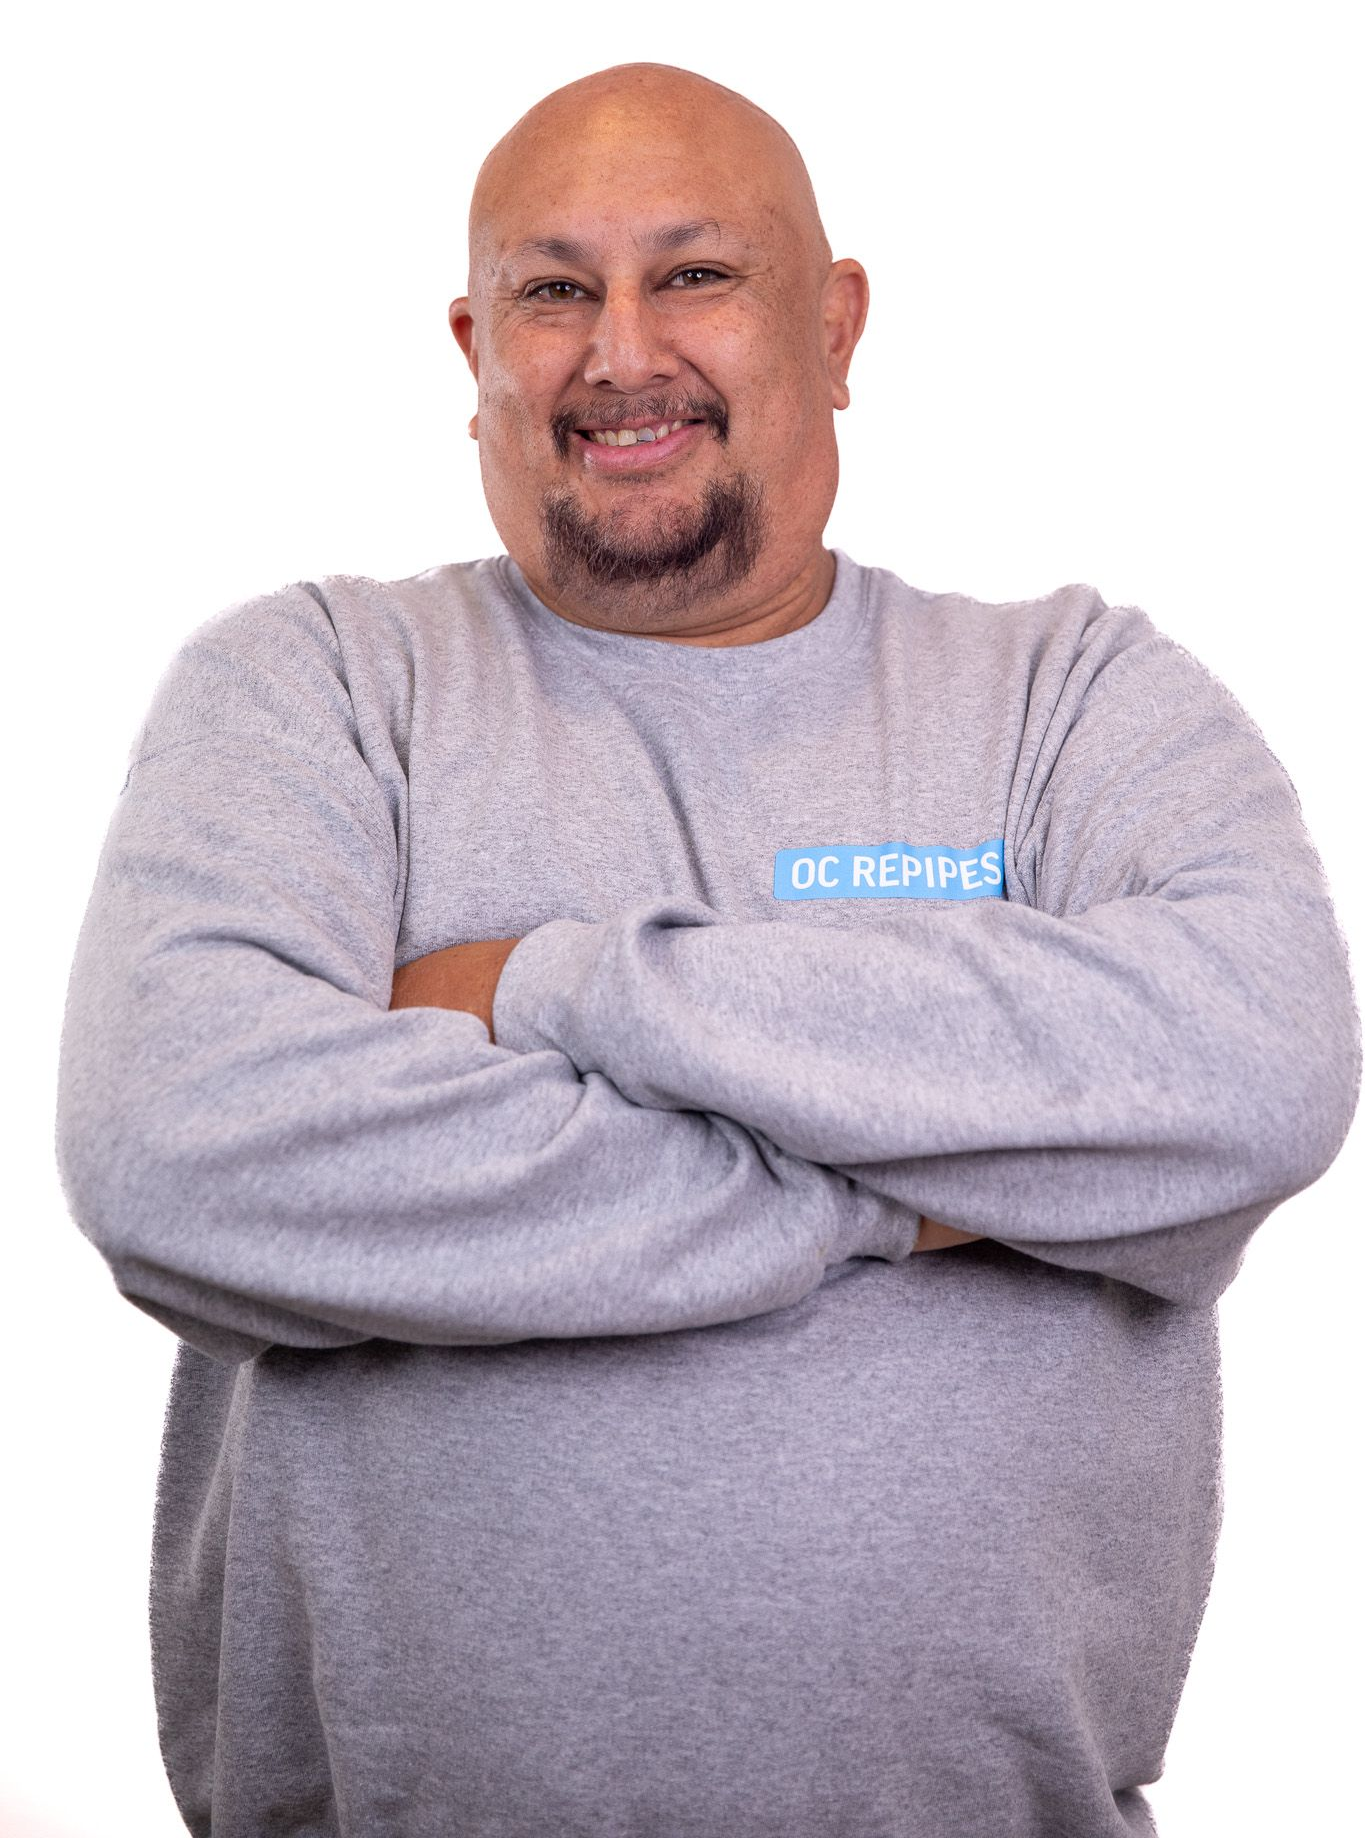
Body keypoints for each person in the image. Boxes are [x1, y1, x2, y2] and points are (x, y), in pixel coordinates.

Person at [54, 59, 1359, 1838]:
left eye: (696, 274)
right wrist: (908, 1184)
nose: (620, 352)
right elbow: (181, 1147)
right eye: (552, 289)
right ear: (472, 348)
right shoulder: (323, 687)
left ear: (835, 325)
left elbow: (1261, 1059)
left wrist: (542, 988)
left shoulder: (1075, 697)